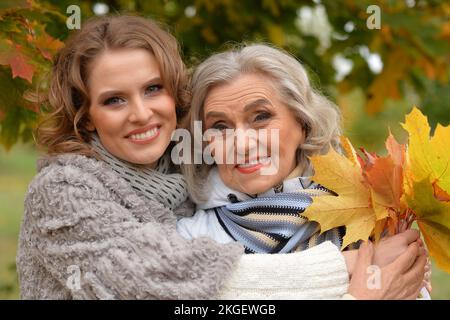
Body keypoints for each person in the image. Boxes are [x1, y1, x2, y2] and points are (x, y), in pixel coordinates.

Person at [16, 15, 427, 300]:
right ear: (85, 117)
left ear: (302, 122)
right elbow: (158, 284)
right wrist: (352, 274)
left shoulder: (367, 210)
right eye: (114, 99)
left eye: (153, 89)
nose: (141, 113)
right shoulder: (69, 190)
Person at [177, 44, 430, 299]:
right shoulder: (190, 241)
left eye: (260, 117)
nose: (241, 144)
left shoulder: (371, 214)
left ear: (303, 124)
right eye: (220, 126)